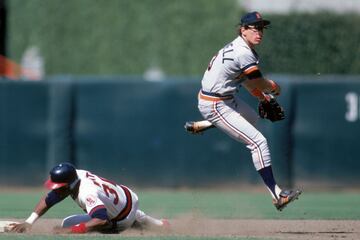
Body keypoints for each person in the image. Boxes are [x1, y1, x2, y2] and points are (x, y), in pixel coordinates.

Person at [190, 11, 301, 211]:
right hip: (215, 103)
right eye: (254, 28)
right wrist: (273, 87)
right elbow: (258, 81)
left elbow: (249, 83)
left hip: (224, 99)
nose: (259, 32)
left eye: (262, 28)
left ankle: (207, 124)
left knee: (253, 118)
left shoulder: (242, 48)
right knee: (258, 142)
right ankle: (277, 195)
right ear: (243, 30)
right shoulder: (243, 52)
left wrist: (262, 97)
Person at [9, 162, 169, 234]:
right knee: (116, 207)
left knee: (68, 223)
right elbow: (49, 199)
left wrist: (72, 230)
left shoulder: (87, 193)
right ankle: (160, 224)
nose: (56, 190)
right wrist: (29, 222)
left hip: (119, 219)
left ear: (70, 184)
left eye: (60, 187)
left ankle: (132, 223)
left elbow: (101, 219)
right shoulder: (76, 174)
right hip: (128, 196)